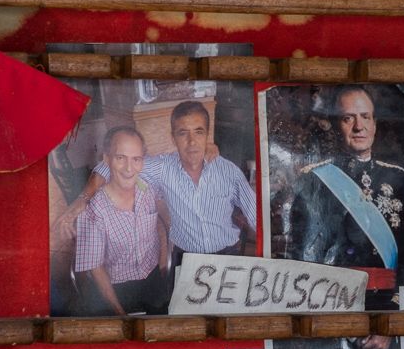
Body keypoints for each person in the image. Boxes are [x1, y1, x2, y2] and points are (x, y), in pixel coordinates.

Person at [279, 85, 404, 349]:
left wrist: (390, 326)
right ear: (334, 125)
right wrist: (343, 328)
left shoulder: (400, 179)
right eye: (347, 118)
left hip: (388, 320)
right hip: (334, 322)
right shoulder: (313, 181)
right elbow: (304, 263)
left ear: (375, 123)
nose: (358, 127)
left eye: (365, 117)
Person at [59, 101, 257, 267]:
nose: (191, 141)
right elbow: (110, 166)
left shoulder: (228, 172)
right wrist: (82, 200)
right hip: (186, 259)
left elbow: (257, 216)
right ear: (173, 138)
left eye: (198, 132)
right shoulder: (163, 168)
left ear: (207, 134)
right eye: (182, 133)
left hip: (228, 256)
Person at [74, 127, 168, 315]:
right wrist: (120, 313)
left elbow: (158, 222)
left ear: (143, 162)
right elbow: (95, 268)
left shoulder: (147, 190)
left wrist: (163, 261)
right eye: (120, 158)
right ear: (107, 159)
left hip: (152, 277)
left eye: (136, 159)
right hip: (114, 289)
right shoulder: (93, 211)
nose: (128, 168)